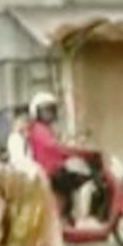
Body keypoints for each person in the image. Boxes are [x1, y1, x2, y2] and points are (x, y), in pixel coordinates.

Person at [25, 92, 97, 222]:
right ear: (36, 112)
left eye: (51, 110)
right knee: (85, 182)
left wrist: (75, 144)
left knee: (77, 177)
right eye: (46, 110)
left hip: (55, 169)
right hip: (51, 172)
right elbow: (57, 148)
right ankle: (81, 218)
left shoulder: (44, 128)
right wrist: (79, 152)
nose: (50, 114)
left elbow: (59, 144)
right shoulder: (39, 130)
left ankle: (70, 215)